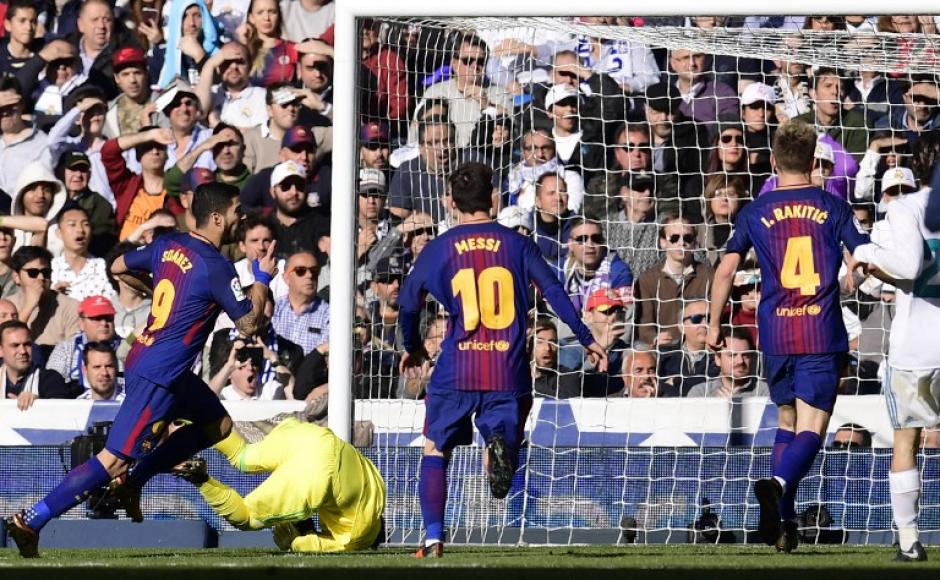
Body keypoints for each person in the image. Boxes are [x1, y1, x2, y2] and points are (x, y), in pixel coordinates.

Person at [6, 182, 276, 559]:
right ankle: (31, 519)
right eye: (236, 210)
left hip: (157, 364)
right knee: (113, 459)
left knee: (219, 426)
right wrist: (262, 280)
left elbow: (118, 266)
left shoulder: (170, 245)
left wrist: (159, 290)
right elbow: (248, 324)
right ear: (217, 217)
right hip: (161, 373)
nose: (241, 216)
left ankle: (135, 481)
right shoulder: (216, 265)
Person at [398, 162, 607, 558]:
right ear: (494, 198)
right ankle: (499, 450)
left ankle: (432, 538)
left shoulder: (438, 248)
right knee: (505, 438)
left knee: (435, 447)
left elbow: (407, 304)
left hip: (457, 366)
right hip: (506, 367)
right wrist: (586, 337)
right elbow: (554, 293)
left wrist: (414, 346)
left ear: (450, 202)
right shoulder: (517, 244)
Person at [707, 120, 869, 554]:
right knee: (814, 426)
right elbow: (862, 257)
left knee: (786, 423)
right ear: (814, 159)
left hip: (775, 331)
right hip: (820, 328)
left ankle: (786, 522)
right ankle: (776, 486)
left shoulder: (755, 210)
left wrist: (715, 323)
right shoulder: (831, 204)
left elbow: (725, 269)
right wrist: (854, 271)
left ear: (774, 160)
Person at [851, 163, 940, 561]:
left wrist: (866, 254)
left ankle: (909, 541)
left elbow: (898, 274)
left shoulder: (903, 211)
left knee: (907, 441)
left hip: (916, 346)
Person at [172, 415, 385, 553]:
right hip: (316, 474)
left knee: (242, 456)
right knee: (247, 518)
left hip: (317, 437)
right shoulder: (358, 540)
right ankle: (199, 477)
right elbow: (308, 545)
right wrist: (292, 543)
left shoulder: (379, 488)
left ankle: (187, 418)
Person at [45, 295, 121, 391]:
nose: (104, 323)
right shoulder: (66, 349)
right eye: (96, 318)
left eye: (109, 317)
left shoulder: (129, 349)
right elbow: (50, 385)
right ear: (81, 323)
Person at [0, 319, 79, 410]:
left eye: (27, 344)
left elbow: (61, 413)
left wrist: (38, 403)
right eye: (15, 345)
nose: (23, 351)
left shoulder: (51, 379)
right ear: (1, 350)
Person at [687, 327, 768, 398]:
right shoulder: (700, 393)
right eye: (732, 355)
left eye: (745, 355)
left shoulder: (764, 391)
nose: (740, 361)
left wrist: (734, 403)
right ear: (718, 359)